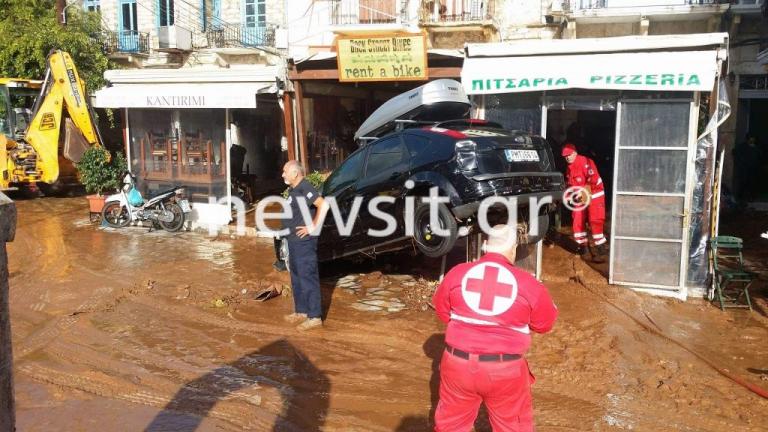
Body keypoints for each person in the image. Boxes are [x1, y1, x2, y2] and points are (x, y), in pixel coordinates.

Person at [432, 224, 558, 432]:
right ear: (514, 248)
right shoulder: (529, 284)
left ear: (485, 246)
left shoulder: (456, 274)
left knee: (450, 426)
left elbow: (443, 313)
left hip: (457, 366)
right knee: (512, 427)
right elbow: (545, 325)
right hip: (505, 371)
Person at [281, 160, 327, 331]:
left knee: (307, 276)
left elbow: (323, 205)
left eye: (285, 171)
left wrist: (312, 227)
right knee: (297, 276)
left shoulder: (305, 187)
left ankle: (314, 317)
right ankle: (301, 311)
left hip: (304, 243)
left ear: (295, 173)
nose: (283, 175)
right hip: (293, 241)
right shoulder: (294, 190)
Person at [562, 142, 607, 262]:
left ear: (575, 153)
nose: (567, 157)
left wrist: (581, 192)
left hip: (594, 193)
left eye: (569, 155)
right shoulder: (569, 167)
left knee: (595, 219)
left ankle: (600, 248)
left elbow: (593, 180)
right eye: (565, 156)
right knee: (577, 220)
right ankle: (584, 248)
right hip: (580, 195)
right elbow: (570, 183)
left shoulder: (586, 162)